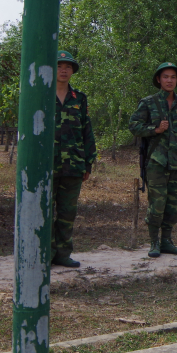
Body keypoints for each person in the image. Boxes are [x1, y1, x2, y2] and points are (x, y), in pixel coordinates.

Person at [128, 63, 177, 258]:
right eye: (165, 76)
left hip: (176, 162)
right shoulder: (148, 103)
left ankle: (167, 240)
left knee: (174, 205)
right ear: (159, 79)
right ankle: (154, 242)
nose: (169, 80)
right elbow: (133, 125)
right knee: (157, 204)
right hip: (156, 162)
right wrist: (154, 130)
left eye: (173, 77)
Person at [52, 50, 97, 268]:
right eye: (59, 65)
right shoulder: (41, 94)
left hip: (73, 164)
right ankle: (44, 254)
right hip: (46, 165)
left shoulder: (79, 98)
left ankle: (62, 254)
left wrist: (88, 162)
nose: (63, 70)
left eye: (68, 67)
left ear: (72, 71)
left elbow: (86, 131)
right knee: (44, 211)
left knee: (67, 212)